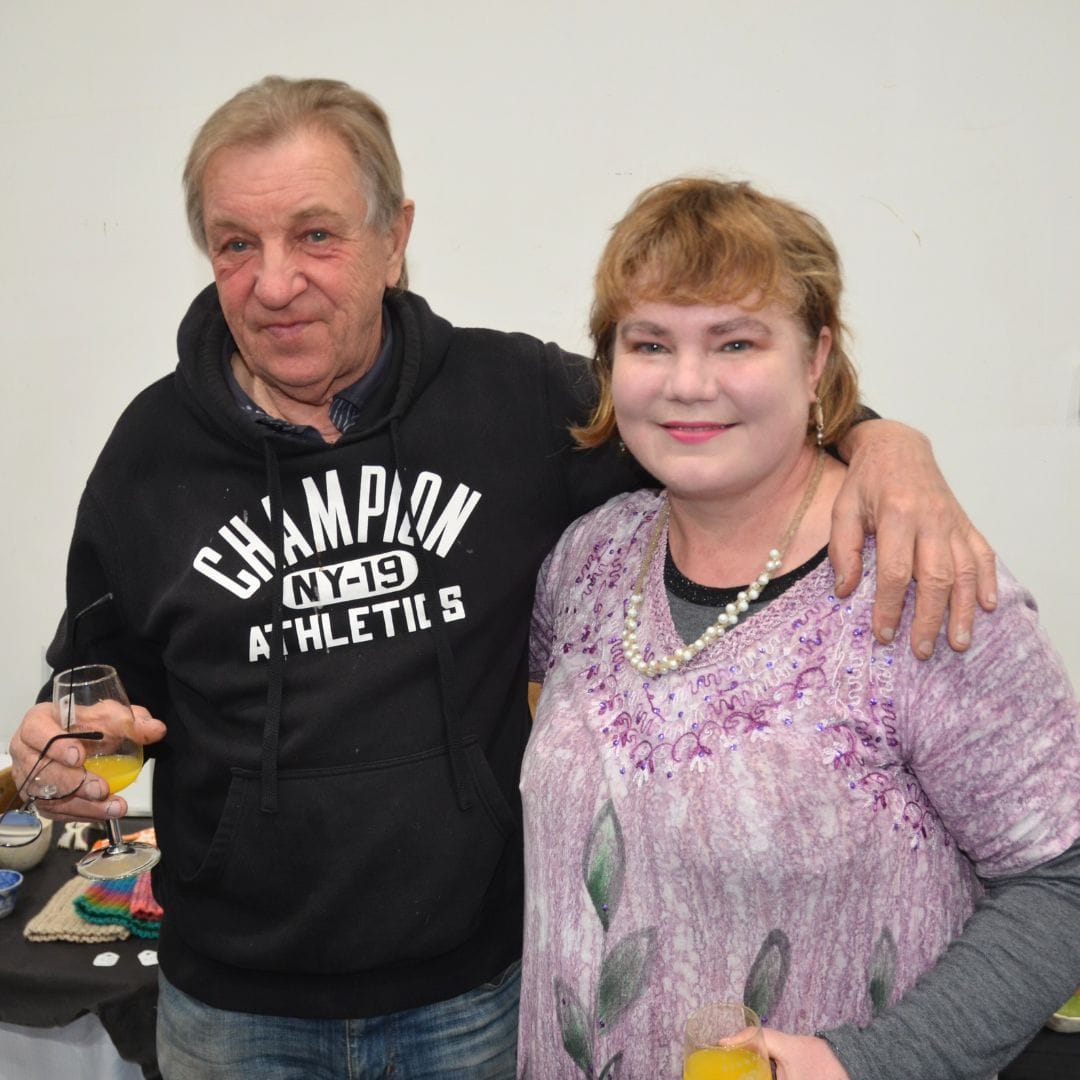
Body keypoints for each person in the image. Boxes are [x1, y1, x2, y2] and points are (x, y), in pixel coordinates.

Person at [7, 77, 995, 1078]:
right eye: (235, 244)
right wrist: (63, 747)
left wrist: (882, 441)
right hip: (235, 1013)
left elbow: (709, 412)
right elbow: (99, 684)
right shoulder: (147, 456)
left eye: (316, 235)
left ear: (395, 238)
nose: (273, 282)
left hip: (475, 997)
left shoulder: (516, 399)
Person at [517, 177, 1080, 1079]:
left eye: (736, 342)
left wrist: (873, 1063)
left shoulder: (920, 583)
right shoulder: (589, 558)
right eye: (650, 343)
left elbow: (1063, 879)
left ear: (816, 359)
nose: (687, 383)